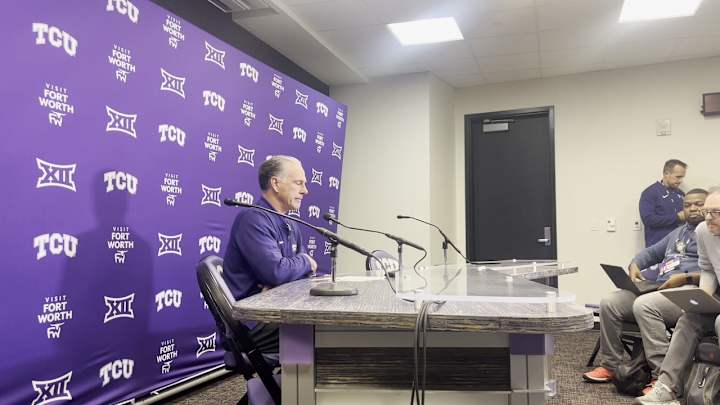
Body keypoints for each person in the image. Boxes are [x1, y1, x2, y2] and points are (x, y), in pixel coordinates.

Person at [583, 189, 708, 388]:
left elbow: (713, 273)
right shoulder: (678, 232)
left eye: (698, 204)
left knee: (644, 304)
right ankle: (610, 366)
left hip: (687, 293)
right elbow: (651, 253)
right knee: (610, 302)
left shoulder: (712, 234)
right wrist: (635, 264)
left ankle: (662, 378)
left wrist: (684, 278)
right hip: (661, 288)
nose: (692, 208)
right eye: (687, 205)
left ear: (709, 207)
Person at [221, 156, 318, 354]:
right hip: (253, 323)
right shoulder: (253, 219)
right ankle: (296, 375)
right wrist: (305, 261)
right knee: (321, 329)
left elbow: (302, 278)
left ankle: (298, 374)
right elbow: (277, 272)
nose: (305, 191)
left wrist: (284, 281)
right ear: (276, 183)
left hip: (277, 311)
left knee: (323, 326)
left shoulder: (291, 223)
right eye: (299, 183)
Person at [635, 188, 720, 405]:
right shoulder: (703, 231)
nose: (708, 217)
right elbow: (708, 269)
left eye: (716, 212)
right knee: (689, 318)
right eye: (707, 212)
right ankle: (667, 388)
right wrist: (704, 297)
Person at [639, 160, 687, 247]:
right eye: (678, 177)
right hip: (658, 247)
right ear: (666, 173)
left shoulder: (681, 194)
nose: (680, 181)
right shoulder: (650, 193)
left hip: (679, 245)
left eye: (682, 177)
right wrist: (677, 217)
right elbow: (648, 219)